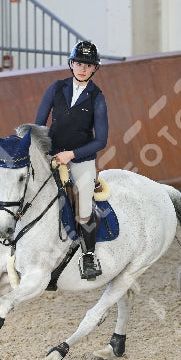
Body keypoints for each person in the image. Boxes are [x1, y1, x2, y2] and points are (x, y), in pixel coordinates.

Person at [34, 41, 108, 280]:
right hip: (52, 155)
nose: (82, 69)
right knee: (24, 184)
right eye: (78, 63)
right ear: (71, 64)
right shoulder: (56, 88)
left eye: (87, 65)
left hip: (80, 159)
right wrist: (44, 151)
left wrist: (72, 155)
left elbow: (101, 140)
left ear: (94, 68)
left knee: (84, 206)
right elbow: (39, 124)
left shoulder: (97, 97)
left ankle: (88, 256)